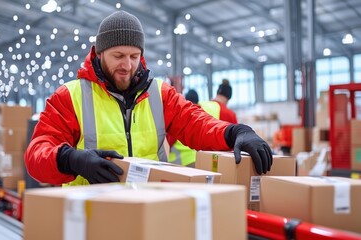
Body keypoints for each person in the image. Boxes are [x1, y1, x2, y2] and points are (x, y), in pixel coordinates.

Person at [24, 10, 273, 186]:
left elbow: (196, 123)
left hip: (149, 209)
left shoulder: (158, 93)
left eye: (134, 56)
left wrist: (235, 132)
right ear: (99, 53)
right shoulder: (71, 96)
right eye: (118, 55)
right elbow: (36, 155)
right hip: (92, 214)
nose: (127, 65)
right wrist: (71, 159)